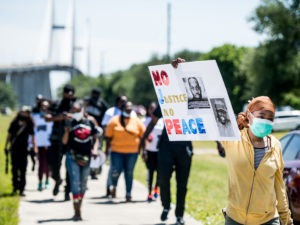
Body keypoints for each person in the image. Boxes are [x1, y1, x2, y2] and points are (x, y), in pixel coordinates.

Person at [217, 96, 293, 225]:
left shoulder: (275, 145)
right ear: (249, 115)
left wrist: (286, 220)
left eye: (270, 118)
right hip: (235, 218)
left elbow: (279, 187)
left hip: (268, 220)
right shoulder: (234, 140)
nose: (266, 121)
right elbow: (215, 126)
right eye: (262, 116)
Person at [63, 100, 99, 221]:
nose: (75, 112)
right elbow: (64, 141)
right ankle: (77, 211)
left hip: (87, 157)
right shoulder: (70, 122)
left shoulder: (90, 122)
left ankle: (79, 207)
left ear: (82, 109)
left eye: (77, 110)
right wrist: (67, 131)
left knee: (83, 184)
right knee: (75, 183)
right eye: (73, 110)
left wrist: (95, 149)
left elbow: (96, 138)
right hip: (72, 156)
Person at [105, 101, 145, 202]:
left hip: (132, 152)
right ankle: (113, 186)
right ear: (122, 109)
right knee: (116, 172)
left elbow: (142, 136)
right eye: (127, 108)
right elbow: (108, 137)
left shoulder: (136, 121)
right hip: (117, 152)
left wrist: (143, 151)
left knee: (129, 172)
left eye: (130, 108)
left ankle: (128, 194)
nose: (129, 110)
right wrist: (106, 150)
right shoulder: (114, 120)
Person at [101, 95, 136, 197]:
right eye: (122, 101)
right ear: (117, 102)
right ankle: (110, 187)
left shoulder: (132, 114)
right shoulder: (111, 113)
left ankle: (125, 192)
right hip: (114, 147)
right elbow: (105, 127)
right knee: (114, 169)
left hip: (130, 149)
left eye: (125, 101)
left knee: (128, 172)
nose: (123, 103)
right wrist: (107, 145)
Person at [45, 84, 76, 200]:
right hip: (56, 139)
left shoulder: (76, 105)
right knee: (53, 165)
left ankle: (67, 191)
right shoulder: (56, 104)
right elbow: (47, 117)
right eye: (68, 92)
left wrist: (72, 116)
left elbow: (82, 116)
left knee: (69, 167)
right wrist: (60, 117)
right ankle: (57, 180)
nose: (70, 95)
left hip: (71, 140)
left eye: (71, 92)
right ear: (64, 93)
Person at [4, 106, 37, 196]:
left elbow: (33, 136)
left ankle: (22, 189)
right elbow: (9, 135)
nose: (24, 114)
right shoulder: (14, 123)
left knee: (23, 169)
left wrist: (34, 148)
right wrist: (6, 146)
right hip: (14, 149)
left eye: (26, 112)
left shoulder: (29, 123)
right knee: (14, 168)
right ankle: (15, 187)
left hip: (24, 149)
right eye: (23, 112)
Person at [141, 102, 163, 202]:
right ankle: (149, 192)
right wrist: (144, 150)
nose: (152, 111)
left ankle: (156, 189)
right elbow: (142, 136)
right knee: (150, 172)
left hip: (159, 151)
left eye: (154, 109)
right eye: (151, 108)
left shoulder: (162, 121)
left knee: (159, 172)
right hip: (150, 150)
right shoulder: (145, 121)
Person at [85, 88, 108, 179]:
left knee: (97, 149)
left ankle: (94, 170)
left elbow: (106, 113)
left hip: (97, 129)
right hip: (87, 129)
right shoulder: (87, 102)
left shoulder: (101, 103)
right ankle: (88, 170)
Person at [32, 99, 53, 191]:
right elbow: (33, 131)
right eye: (42, 106)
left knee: (48, 164)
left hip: (49, 144)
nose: (44, 108)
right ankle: (40, 181)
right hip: (39, 144)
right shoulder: (35, 117)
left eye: (46, 106)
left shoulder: (52, 117)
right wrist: (33, 144)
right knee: (41, 164)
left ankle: (47, 180)